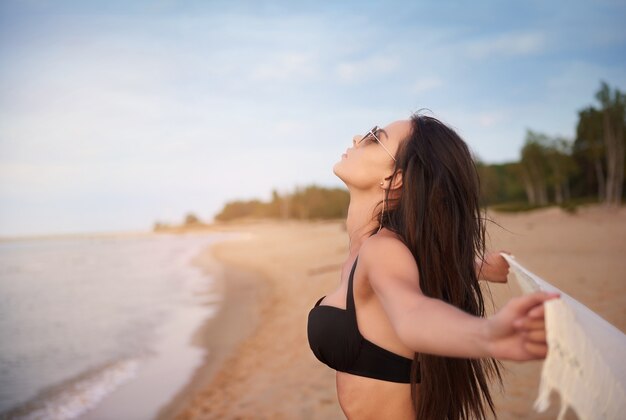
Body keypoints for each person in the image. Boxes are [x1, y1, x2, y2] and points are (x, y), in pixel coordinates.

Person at [307, 112, 560, 420]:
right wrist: (475, 266)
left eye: (375, 138)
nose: (357, 139)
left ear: (394, 178)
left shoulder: (381, 250)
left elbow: (412, 312)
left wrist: (487, 334)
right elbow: (417, 261)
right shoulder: (374, 249)